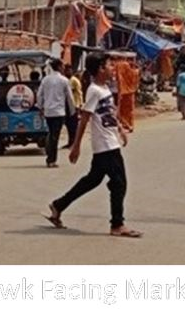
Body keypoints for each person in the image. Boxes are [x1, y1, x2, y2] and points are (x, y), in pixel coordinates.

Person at [45, 53, 141, 238]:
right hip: (105, 145)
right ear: (100, 69)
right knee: (119, 183)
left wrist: (120, 129)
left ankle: (58, 205)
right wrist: (76, 146)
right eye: (110, 65)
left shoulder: (104, 89)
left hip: (110, 141)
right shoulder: (93, 90)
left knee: (92, 180)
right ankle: (117, 224)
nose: (113, 69)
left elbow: (108, 113)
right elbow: (85, 118)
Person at [37, 58, 74, 168]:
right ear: (58, 67)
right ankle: (51, 159)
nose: (64, 68)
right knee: (55, 136)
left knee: (52, 133)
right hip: (59, 112)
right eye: (62, 66)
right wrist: (72, 111)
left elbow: (40, 95)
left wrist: (40, 107)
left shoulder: (45, 80)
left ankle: (50, 155)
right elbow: (70, 97)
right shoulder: (64, 80)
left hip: (48, 112)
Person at [64, 64, 83, 149]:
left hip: (75, 105)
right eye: (65, 70)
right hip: (67, 106)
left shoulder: (74, 81)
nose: (67, 72)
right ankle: (70, 142)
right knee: (68, 125)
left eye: (68, 70)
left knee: (74, 126)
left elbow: (79, 94)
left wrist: (79, 106)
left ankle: (74, 144)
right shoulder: (65, 80)